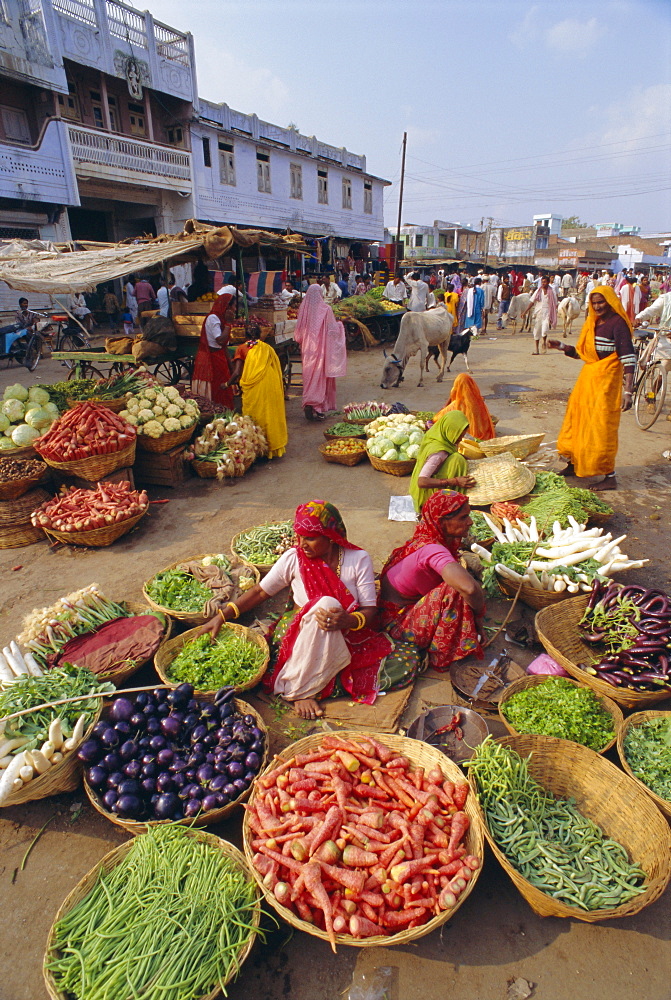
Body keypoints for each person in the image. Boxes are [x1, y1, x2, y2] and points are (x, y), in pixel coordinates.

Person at [198, 501, 394, 720]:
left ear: (330, 536)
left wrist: (348, 621)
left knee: (331, 608)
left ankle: (302, 683)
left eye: (310, 538)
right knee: (325, 604)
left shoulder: (358, 560)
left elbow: (370, 610)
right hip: (300, 631)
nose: (302, 544)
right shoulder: (294, 558)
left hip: (346, 631)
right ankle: (302, 689)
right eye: (299, 537)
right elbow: (260, 593)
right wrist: (222, 616)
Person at [379, 490, 485, 673]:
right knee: (455, 590)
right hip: (396, 626)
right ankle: (443, 653)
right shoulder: (433, 550)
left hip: (393, 611)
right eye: (463, 518)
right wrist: (479, 618)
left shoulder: (425, 537)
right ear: (442, 521)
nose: (470, 522)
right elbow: (468, 588)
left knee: (460, 580)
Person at [548, 286, 636, 491]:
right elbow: (584, 354)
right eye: (594, 303)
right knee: (577, 421)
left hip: (606, 385)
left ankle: (609, 475)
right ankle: (574, 463)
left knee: (600, 428)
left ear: (611, 301)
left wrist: (628, 391)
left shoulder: (618, 324)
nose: (597, 307)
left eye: (601, 302)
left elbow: (629, 359)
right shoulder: (593, 323)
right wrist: (562, 346)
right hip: (587, 383)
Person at [226, 324, 288, 459]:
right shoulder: (267, 348)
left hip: (255, 386)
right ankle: (273, 447)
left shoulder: (242, 348)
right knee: (270, 413)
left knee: (256, 414)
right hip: (270, 383)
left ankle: (258, 448)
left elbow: (236, 373)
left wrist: (226, 384)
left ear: (245, 336)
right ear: (260, 335)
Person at [294, 283, 346, 422]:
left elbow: (298, 335)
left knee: (309, 376)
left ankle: (309, 402)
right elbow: (333, 331)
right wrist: (341, 324)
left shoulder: (304, 309)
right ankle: (318, 407)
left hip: (308, 349)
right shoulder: (326, 309)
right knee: (320, 376)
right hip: (321, 349)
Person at [409, 411, 476, 512]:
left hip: (420, 487)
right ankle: (447, 502)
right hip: (425, 496)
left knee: (459, 457)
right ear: (449, 431)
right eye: (459, 436)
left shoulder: (436, 436)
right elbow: (421, 482)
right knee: (457, 460)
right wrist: (455, 481)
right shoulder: (439, 453)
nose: (460, 440)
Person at [191, 293, 235, 410]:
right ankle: (217, 410)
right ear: (226, 307)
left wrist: (231, 367)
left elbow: (224, 346)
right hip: (212, 357)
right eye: (233, 307)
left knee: (224, 385)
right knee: (217, 387)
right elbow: (220, 340)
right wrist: (229, 324)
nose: (234, 310)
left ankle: (225, 410)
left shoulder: (220, 318)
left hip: (219, 355)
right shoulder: (213, 318)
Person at [432, 373, 496, 441]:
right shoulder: (478, 402)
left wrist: (444, 407)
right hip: (482, 435)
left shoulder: (456, 405)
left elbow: (436, 420)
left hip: (465, 436)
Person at [522, 274, 557, 354]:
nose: (543, 283)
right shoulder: (538, 291)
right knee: (537, 332)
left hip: (547, 313)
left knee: (544, 331)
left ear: (548, 282)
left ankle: (544, 342)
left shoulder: (552, 291)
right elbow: (532, 302)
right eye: (542, 282)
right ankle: (537, 350)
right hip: (538, 313)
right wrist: (525, 311)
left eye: (544, 282)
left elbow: (555, 303)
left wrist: (553, 315)